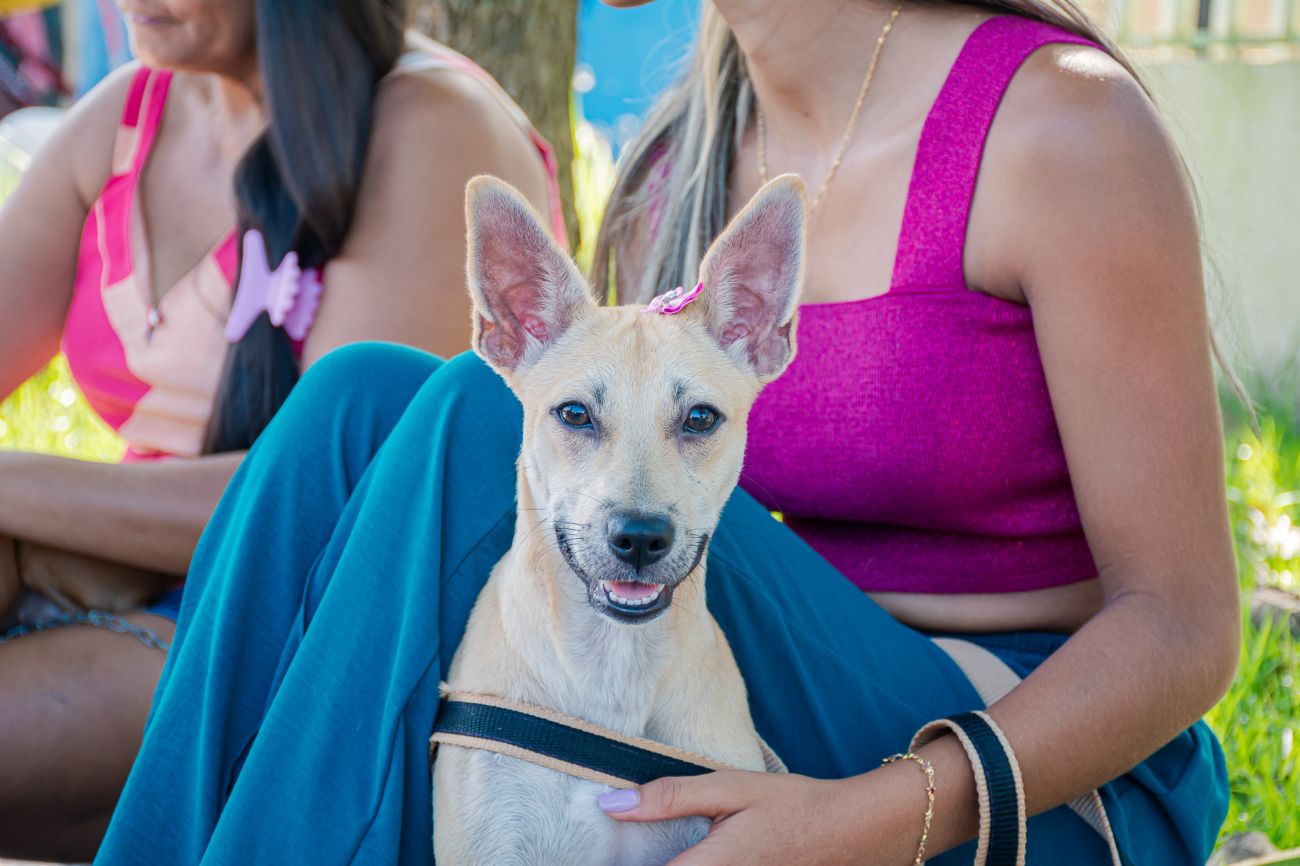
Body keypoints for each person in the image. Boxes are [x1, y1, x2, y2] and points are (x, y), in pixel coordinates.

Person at [94, 0, 1239, 863]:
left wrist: (862, 819)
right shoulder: (675, 161)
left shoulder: (1058, 124)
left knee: (464, 420)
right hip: (736, 684)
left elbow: (1184, 630)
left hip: (1020, 765)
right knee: (357, 397)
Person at [0, 0, 566, 858]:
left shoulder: (433, 127)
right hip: (117, 576)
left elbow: (325, 505)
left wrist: (14, 486)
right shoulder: (130, 116)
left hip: (304, 634)